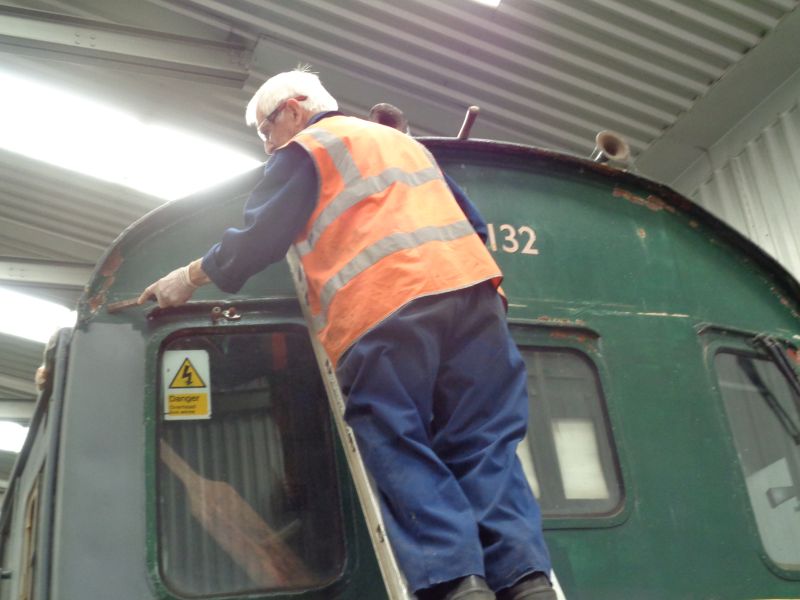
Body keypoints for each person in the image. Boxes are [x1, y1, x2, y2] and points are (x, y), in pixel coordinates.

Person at [139, 68, 555, 600]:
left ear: (293, 109)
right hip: (475, 300)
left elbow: (258, 240)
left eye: (266, 131)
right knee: (485, 444)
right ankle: (526, 580)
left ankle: (458, 583)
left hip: (385, 310)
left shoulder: (310, 148)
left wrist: (189, 276)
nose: (268, 147)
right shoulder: (403, 146)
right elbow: (472, 224)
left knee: (397, 439)